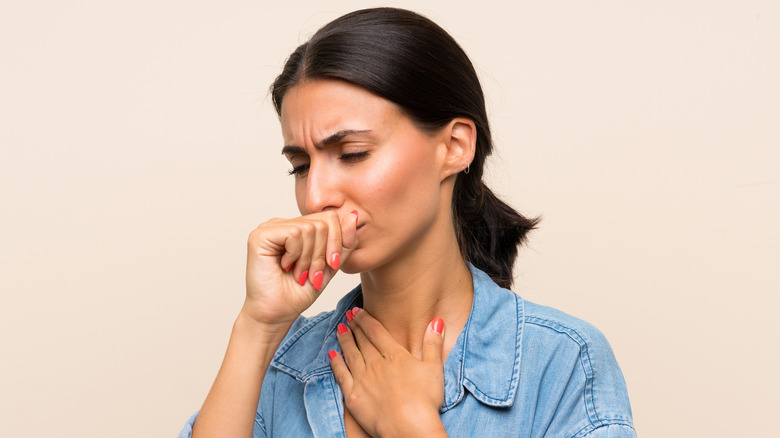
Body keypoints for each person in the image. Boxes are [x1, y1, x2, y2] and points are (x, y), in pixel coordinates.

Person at [179, 7, 635, 438]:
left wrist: (412, 426)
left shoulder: (562, 363)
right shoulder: (281, 363)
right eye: (300, 166)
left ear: (454, 146)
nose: (315, 196)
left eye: (352, 154)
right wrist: (257, 325)